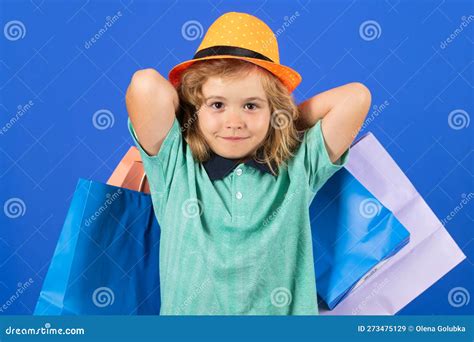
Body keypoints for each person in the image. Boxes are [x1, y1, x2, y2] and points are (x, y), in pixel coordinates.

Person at [126, 12, 371, 315]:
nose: (234, 122)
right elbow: (145, 84)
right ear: (194, 108)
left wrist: (283, 123)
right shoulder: (176, 165)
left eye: (251, 106)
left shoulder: (298, 167)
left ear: (274, 111)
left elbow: (356, 97)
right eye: (217, 104)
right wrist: (189, 106)